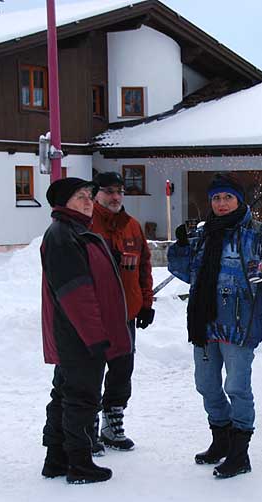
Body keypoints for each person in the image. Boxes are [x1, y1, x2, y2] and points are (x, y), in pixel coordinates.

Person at [167, 173, 262, 479]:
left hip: (240, 323)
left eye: (227, 197)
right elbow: (183, 270)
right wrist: (182, 246)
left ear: (238, 200)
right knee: (206, 385)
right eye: (216, 198)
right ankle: (221, 439)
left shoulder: (258, 233)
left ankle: (240, 452)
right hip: (204, 323)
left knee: (237, 387)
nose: (221, 204)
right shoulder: (203, 234)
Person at [39, 177, 132, 484]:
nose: (88, 201)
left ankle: (56, 459)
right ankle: (79, 463)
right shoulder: (64, 235)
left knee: (65, 394)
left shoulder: (77, 232)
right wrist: (95, 338)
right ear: (63, 203)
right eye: (80, 197)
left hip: (76, 333)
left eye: (89, 196)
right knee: (81, 397)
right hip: (78, 335)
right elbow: (75, 294)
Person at [89, 171, 154, 453]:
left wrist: (146, 304)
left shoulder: (133, 227)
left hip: (126, 314)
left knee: (121, 370)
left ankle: (112, 423)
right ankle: (87, 426)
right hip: (92, 315)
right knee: (89, 371)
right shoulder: (86, 224)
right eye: (108, 192)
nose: (115, 197)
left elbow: (144, 268)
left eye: (119, 191)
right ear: (96, 194)